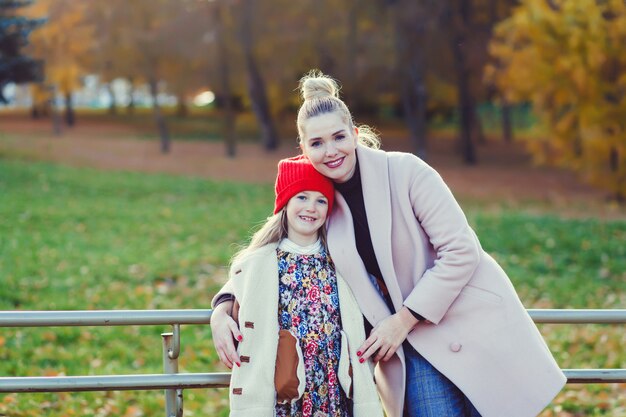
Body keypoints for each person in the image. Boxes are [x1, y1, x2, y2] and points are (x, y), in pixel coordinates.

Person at [211, 71, 566, 417]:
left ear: (354, 134)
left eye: (338, 137)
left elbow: (461, 250)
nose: (331, 151)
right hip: (410, 350)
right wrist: (223, 306)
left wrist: (403, 320)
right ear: (304, 149)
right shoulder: (319, 202)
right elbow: (277, 252)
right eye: (317, 143)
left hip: (467, 322)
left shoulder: (406, 172)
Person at [211, 156, 384, 417]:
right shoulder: (260, 261)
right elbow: (239, 286)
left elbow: (374, 291)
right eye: (302, 197)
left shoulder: (341, 259)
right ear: (285, 202)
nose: (311, 208)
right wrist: (219, 311)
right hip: (283, 395)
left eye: (321, 200)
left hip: (333, 393)